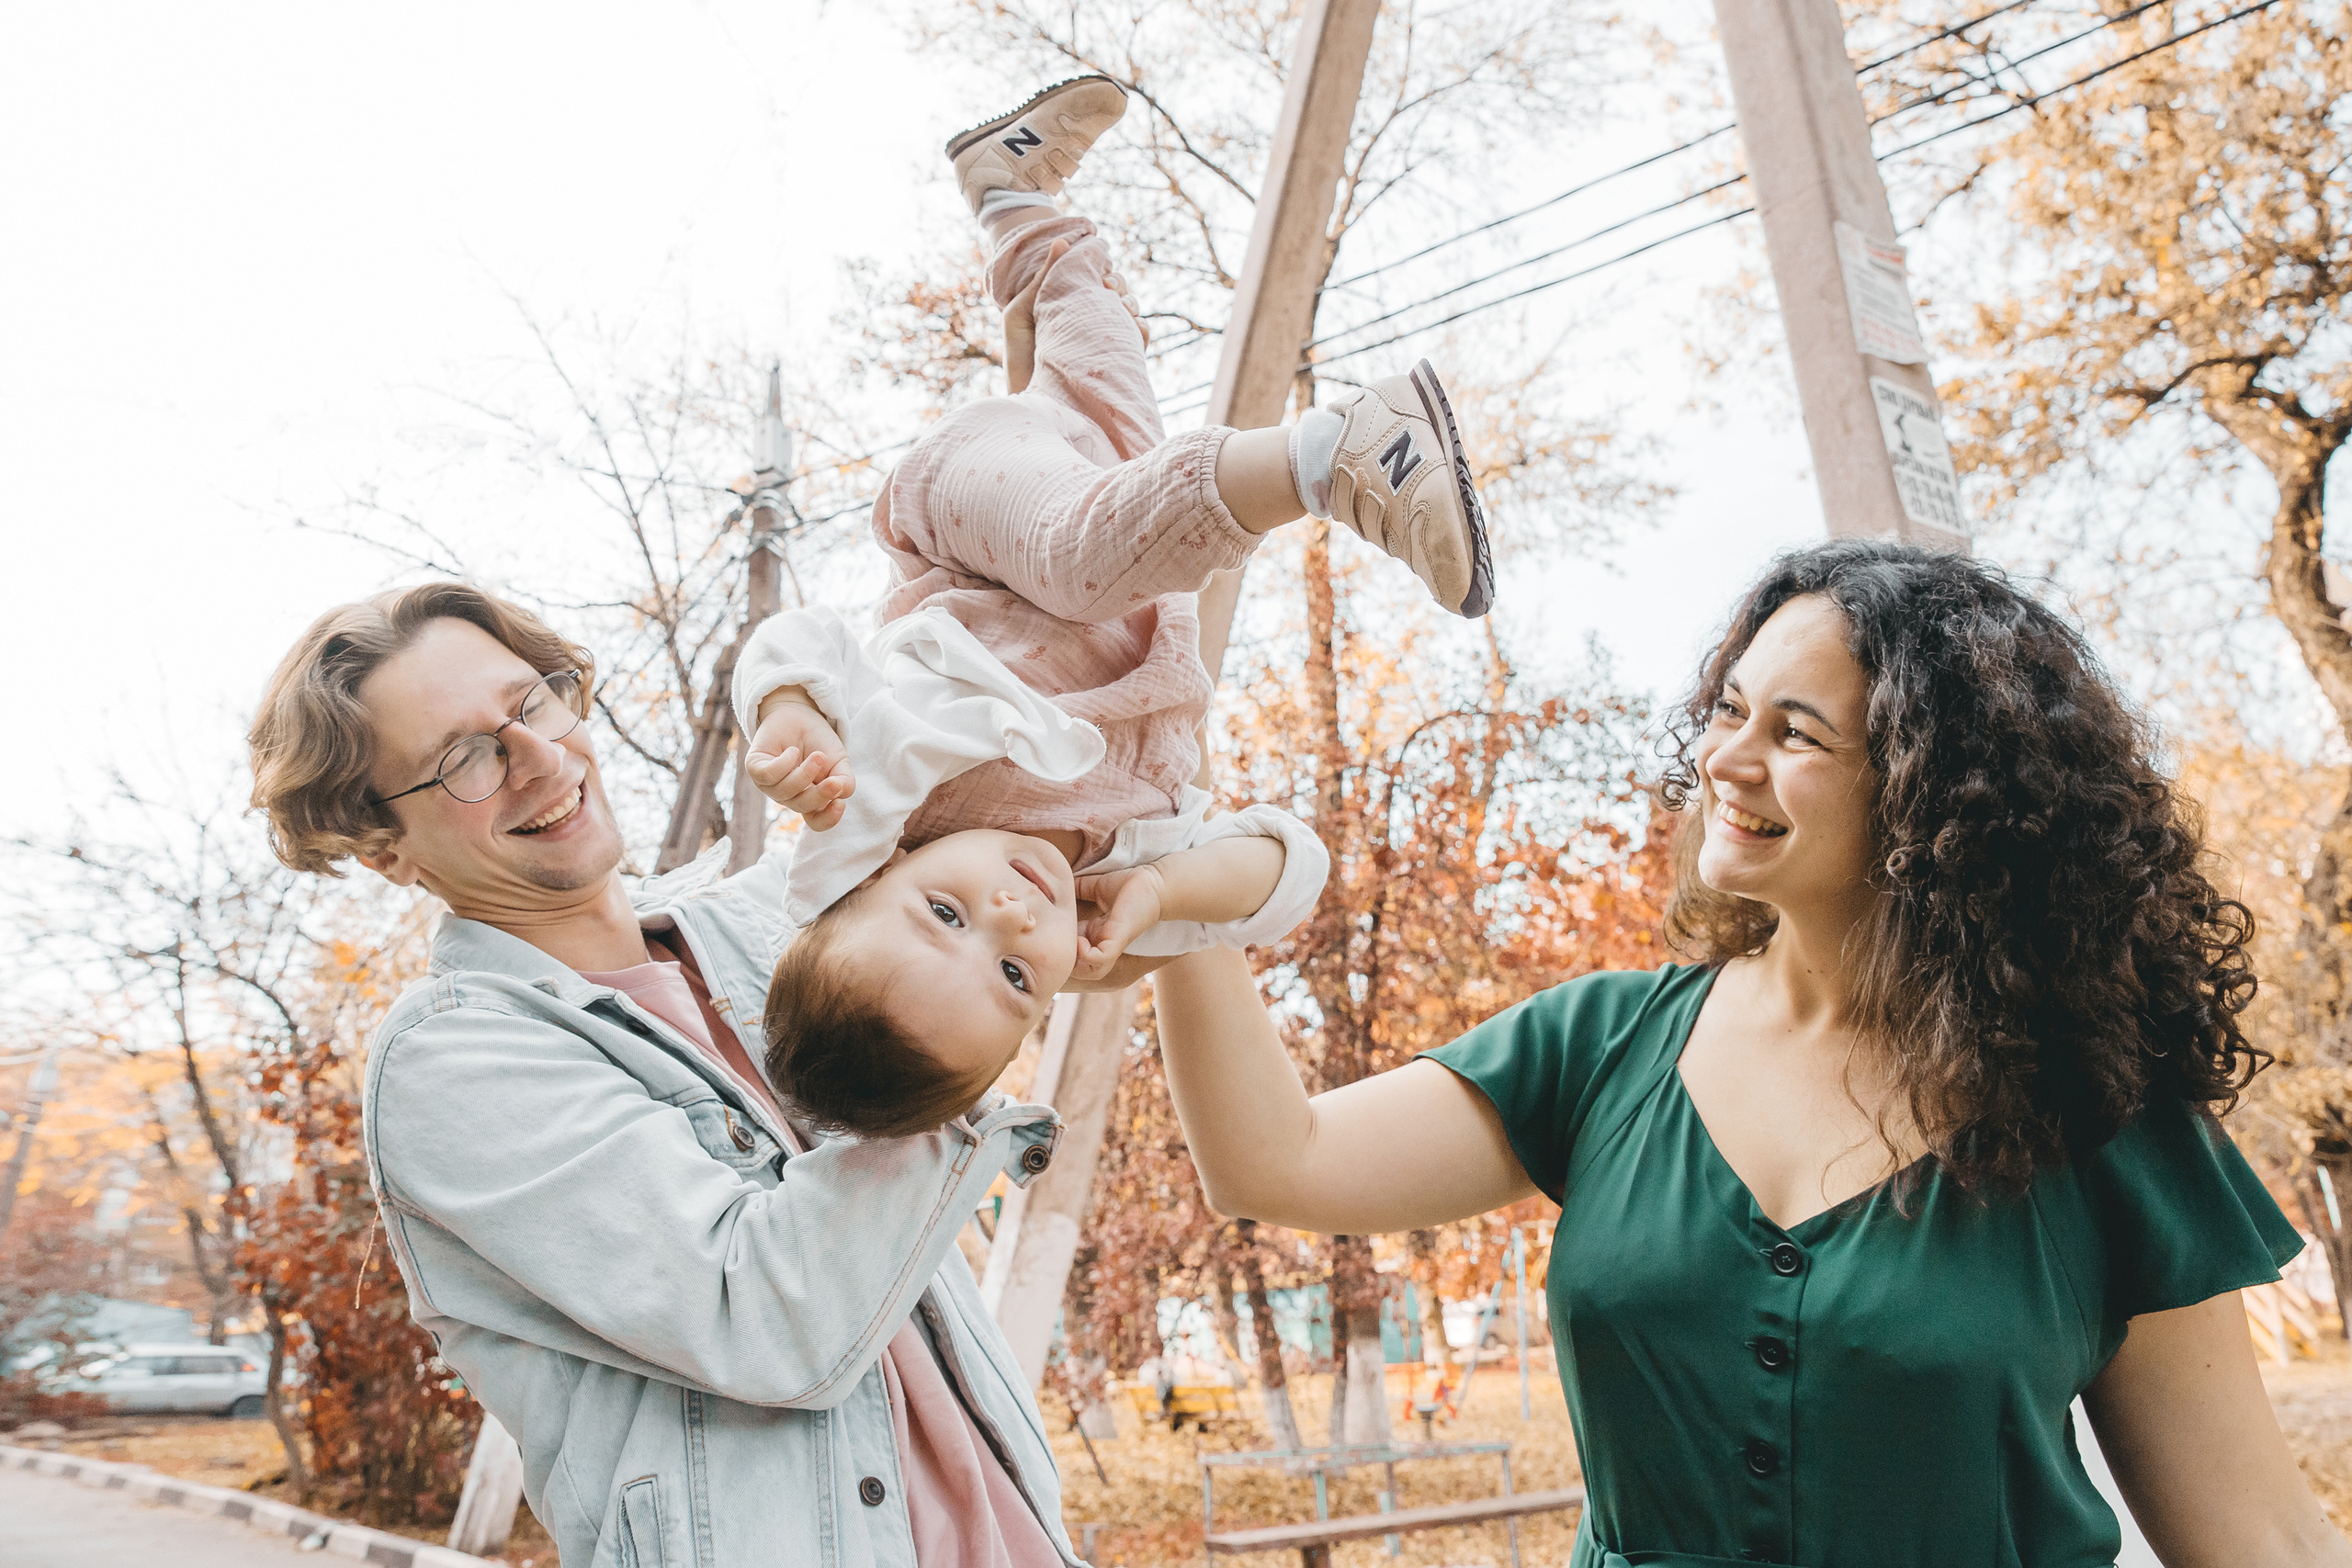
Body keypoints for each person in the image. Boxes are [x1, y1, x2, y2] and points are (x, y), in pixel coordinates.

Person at [1145, 539, 2352, 1566]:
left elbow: (2258, 1537)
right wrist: (1166, 851)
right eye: (1729, 709)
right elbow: (1274, 1159)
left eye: (1796, 731)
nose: (1725, 758)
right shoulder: (1600, 1045)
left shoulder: (2099, 1111)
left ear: (1937, 793)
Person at [248, 577, 1084, 1568]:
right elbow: (767, 1318)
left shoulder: (776, 917)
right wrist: (933, 1046)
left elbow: (1032, 834)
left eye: (531, 704)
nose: (541, 758)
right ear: (383, 845)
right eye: (464, 758)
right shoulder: (453, 1058)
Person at [731, 73, 1490, 1139]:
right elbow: (1290, 870)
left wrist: (788, 715)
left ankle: (1341, 455)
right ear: (1042, 1002)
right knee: (1094, 350)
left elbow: (798, 637)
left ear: (869, 880)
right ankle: (1013, 193)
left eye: (942, 912)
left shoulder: (873, 800)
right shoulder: (1111, 891)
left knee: (1075, 555)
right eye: (1012, 974)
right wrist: (1168, 895)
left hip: (974, 521)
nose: (1008, 916)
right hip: (1130, 524)